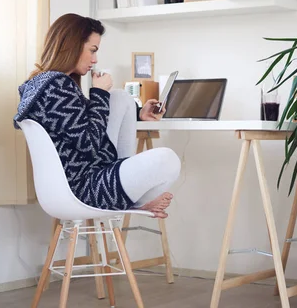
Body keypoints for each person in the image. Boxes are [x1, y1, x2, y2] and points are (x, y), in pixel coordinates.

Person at [14, 13, 179, 218]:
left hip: (87, 180)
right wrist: (99, 93)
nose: (95, 59)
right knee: (168, 159)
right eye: (92, 50)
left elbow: (86, 125)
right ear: (72, 45)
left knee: (120, 97)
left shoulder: (47, 85)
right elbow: (90, 144)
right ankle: (133, 202)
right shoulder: (56, 87)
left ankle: (128, 198)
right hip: (84, 189)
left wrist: (138, 115)